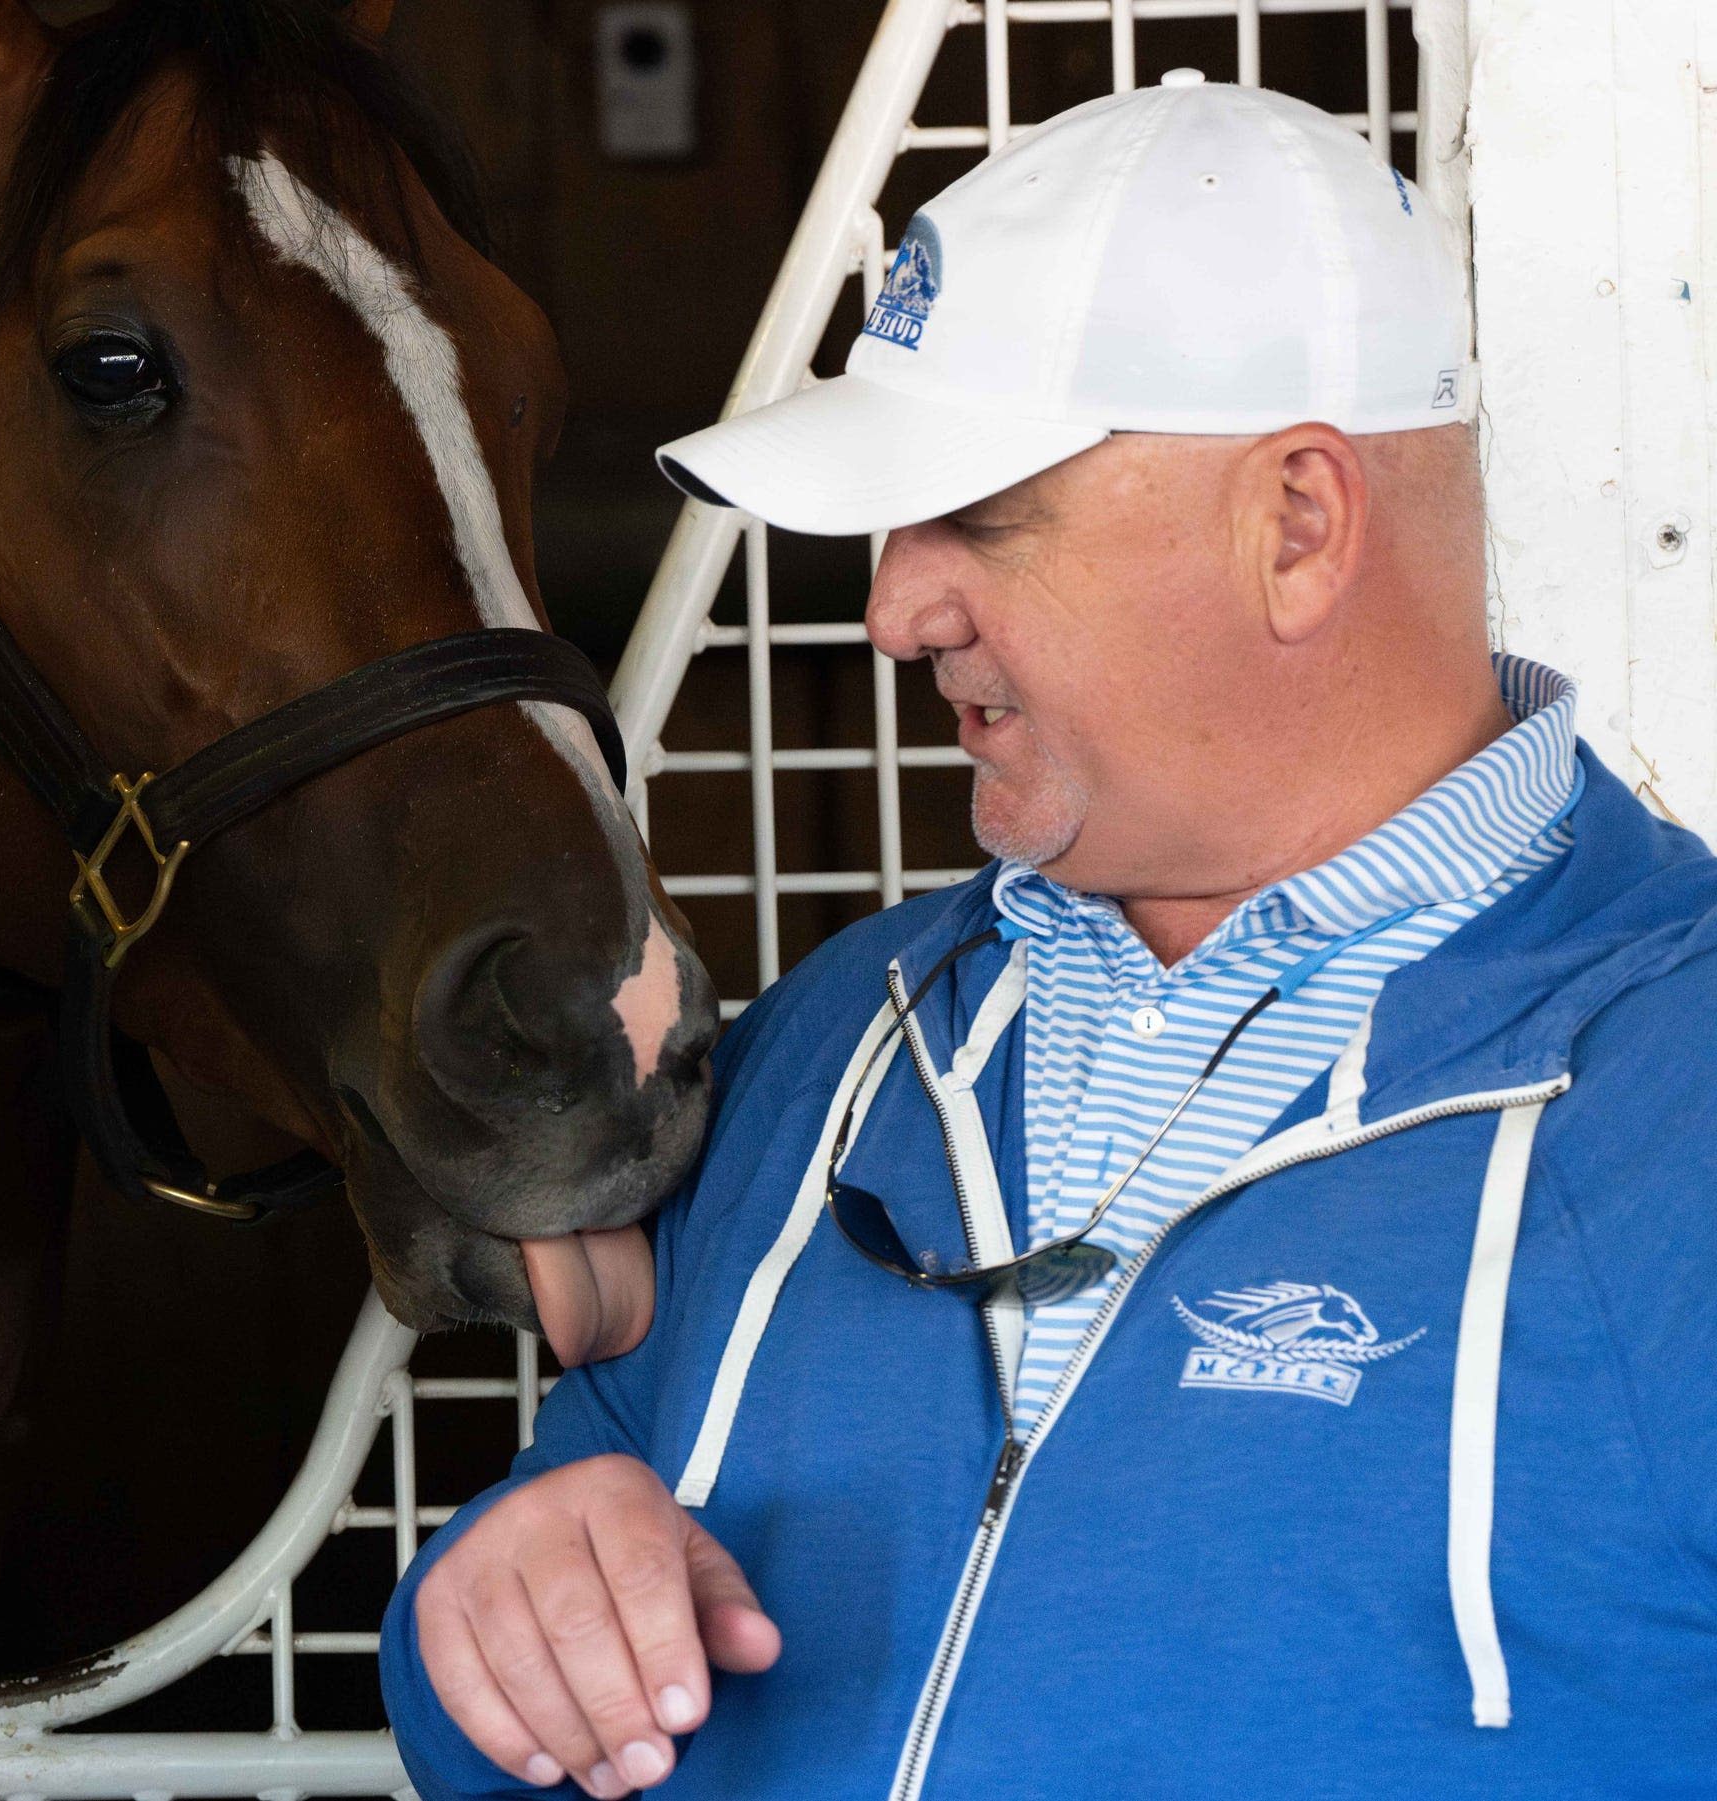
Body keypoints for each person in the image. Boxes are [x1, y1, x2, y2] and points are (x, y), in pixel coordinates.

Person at [379, 73, 1717, 1799]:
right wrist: (486, 1611)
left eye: (975, 516)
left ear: (1299, 525)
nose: (890, 608)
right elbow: (532, 1633)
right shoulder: (828, 1048)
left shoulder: (1678, 1104)